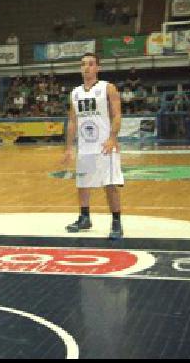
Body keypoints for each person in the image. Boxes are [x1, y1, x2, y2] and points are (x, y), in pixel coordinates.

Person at [62, 52, 125, 240]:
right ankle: (84, 217)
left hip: (105, 145)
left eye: (90, 64)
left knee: (110, 184)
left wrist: (113, 138)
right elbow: (72, 121)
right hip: (85, 147)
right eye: (83, 64)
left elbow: (117, 115)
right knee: (82, 183)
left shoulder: (108, 88)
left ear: (98, 67)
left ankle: (116, 222)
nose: (86, 67)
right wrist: (69, 147)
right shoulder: (75, 93)